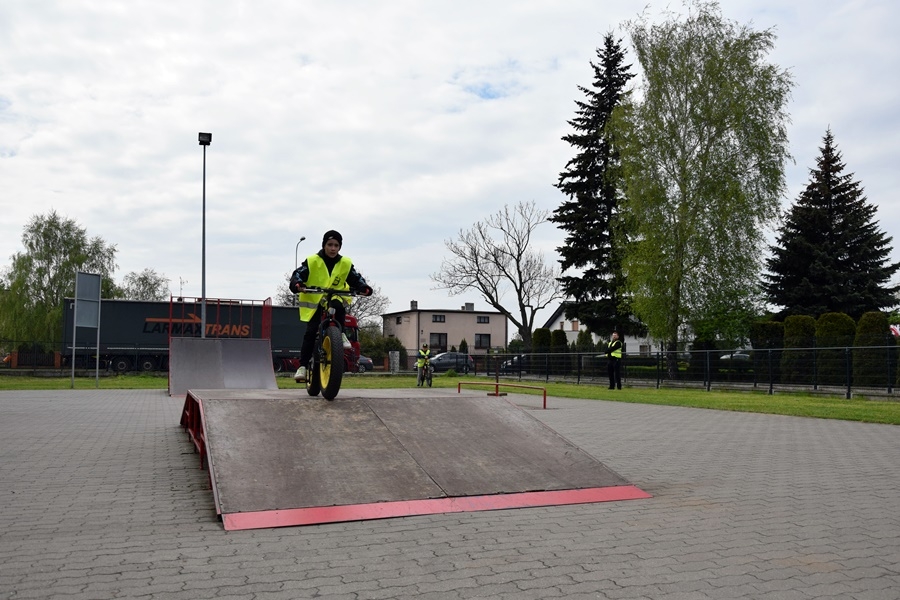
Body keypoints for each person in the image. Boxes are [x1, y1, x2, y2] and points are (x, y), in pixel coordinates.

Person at [289, 230, 372, 383]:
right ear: (324, 245)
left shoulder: (345, 263)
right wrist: (297, 284)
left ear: (340, 247)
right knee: (311, 331)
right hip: (315, 299)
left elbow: (355, 277)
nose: (333, 248)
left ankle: (339, 333)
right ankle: (303, 366)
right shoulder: (313, 261)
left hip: (335, 296)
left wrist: (364, 287)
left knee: (337, 305)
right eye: (330, 245)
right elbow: (298, 274)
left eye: (336, 245)